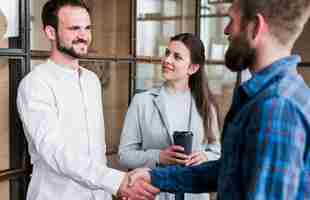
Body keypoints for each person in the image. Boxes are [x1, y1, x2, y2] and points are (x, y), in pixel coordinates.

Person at [129, 0, 310, 199]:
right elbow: (227, 171)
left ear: (255, 27)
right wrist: (155, 177)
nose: (226, 30)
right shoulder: (269, 96)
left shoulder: (277, 106)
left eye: (231, 20)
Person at [16, 1, 158, 200]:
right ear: (50, 32)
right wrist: (116, 181)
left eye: (87, 28)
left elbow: (96, 151)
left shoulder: (92, 81)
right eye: (74, 28)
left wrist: (111, 188)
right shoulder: (35, 84)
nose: (84, 35)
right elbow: (55, 151)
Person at [118, 33, 221, 200]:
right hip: (153, 194)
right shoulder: (142, 102)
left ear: (193, 68)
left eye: (177, 57)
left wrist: (205, 157)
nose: (167, 60)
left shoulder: (206, 106)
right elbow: (124, 155)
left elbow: (217, 152)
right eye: (167, 53)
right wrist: (159, 157)